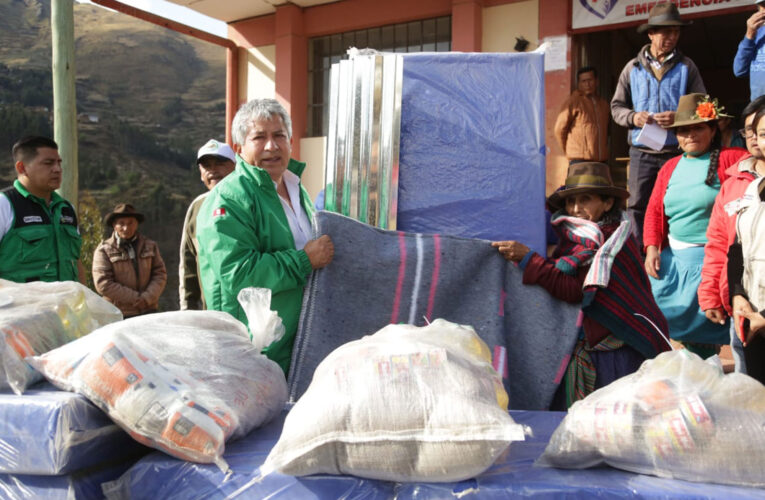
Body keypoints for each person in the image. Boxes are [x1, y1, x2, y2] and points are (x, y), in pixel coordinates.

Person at [492, 162, 670, 409]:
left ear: (607, 203)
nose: (576, 209)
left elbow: (574, 290)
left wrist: (528, 260)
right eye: (570, 201)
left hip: (616, 354)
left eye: (585, 200)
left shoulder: (610, 240)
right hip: (588, 346)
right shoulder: (577, 235)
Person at [196, 98, 334, 375]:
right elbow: (238, 273)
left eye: (279, 135)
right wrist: (304, 261)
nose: (271, 146)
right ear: (239, 149)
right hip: (254, 350)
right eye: (259, 137)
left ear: (290, 141)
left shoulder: (296, 188)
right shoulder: (229, 198)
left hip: (296, 342)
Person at [643, 94, 748, 359]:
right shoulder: (669, 167)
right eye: (683, 130)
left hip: (714, 262)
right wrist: (652, 246)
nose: (690, 135)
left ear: (713, 130)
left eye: (698, 127)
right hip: (676, 261)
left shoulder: (733, 159)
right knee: (659, 316)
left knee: (720, 324)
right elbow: (655, 210)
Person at [611, 3, 706, 246]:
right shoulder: (632, 68)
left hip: (676, 152)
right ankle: (640, 255)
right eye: (666, 32)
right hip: (641, 153)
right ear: (651, 34)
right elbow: (616, 108)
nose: (672, 37)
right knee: (638, 205)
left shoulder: (687, 67)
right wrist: (634, 117)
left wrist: (679, 117)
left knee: (675, 202)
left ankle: (670, 249)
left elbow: (705, 107)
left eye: (676, 32)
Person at [699, 96, 765, 373]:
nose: (755, 139)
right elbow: (727, 245)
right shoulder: (741, 185)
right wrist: (734, 295)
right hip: (750, 307)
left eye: (760, 132)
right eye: (752, 132)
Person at [0, 136, 85, 284]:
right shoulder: (4, 205)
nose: (57, 169)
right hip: (19, 306)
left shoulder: (66, 209)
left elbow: (76, 262)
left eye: (59, 163)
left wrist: (86, 301)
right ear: (22, 168)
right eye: (48, 163)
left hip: (66, 306)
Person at [179, 139, 236, 310]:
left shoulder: (250, 201)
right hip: (209, 311)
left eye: (219, 163)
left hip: (248, 312)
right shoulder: (197, 207)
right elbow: (188, 260)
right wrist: (187, 308)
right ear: (200, 173)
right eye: (206, 165)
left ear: (235, 166)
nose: (212, 170)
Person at [92, 203, 167, 318]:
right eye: (121, 224)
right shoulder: (104, 250)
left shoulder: (150, 246)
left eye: (130, 223)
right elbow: (103, 283)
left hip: (148, 311)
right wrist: (135, 298)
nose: (126, 228)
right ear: (114, 225)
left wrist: (147, 298)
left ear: (137, 224)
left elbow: (160, 274)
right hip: (117, 314)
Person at [728, 172, 765, 384]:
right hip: (754, 317)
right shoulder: (754, 188)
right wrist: (738, 294)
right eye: (761, 136)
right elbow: (737, 248)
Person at [554, 66, 610, 164]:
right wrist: (568, 151)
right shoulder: (573, 102)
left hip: (601, 161)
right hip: (579, 161)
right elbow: (559, 129)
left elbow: (607, 131)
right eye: (583, 81)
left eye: (590, 80)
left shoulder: (604, 104)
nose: (587, 84)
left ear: (597, 81)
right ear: (578, 84)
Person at [733, 0, 765, 102]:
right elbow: (739, 70)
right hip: (759, 107)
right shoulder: (757, 32)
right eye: (762, 6)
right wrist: (749, 35)